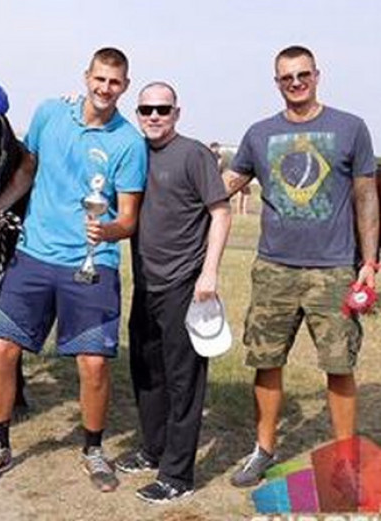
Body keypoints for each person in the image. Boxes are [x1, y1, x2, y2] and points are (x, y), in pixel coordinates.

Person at [0, 47, 147, 490]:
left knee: (93, 364)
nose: (105, 89)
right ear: (87, 76)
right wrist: (0, 206)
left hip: (91, 266)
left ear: (124, 86)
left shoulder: (129, 142)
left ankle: (94, 450)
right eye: (99, 79)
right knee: (2, 350)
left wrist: (107, 233)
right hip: (33, 257)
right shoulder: (50, 113)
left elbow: (128, 218)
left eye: (115, 82)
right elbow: (28, 168)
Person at [223, 46, 378, 487]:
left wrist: (369, 261)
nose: (296, 83)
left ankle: (345, 460)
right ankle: (263, 450)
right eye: (287, 77)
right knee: (266, 361)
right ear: (277, 82)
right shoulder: (259, 134)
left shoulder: (350, 128)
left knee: (339, 365)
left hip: (333, 270)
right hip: (274, 268)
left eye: (302, 74)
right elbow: (228, 185)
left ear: (317, 75)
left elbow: (366, 195)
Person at [116, 82, 231, 503]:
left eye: (162, 109)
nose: (153, 116)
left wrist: (210, 273)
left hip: (186, 284)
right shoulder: (134, 153)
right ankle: (153, 449)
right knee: (147, 373)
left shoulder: (194, 154)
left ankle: (178, 476)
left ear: (176, 112)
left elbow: (220, 213)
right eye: (146, 109)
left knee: (185, 382)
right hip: (146, 284)